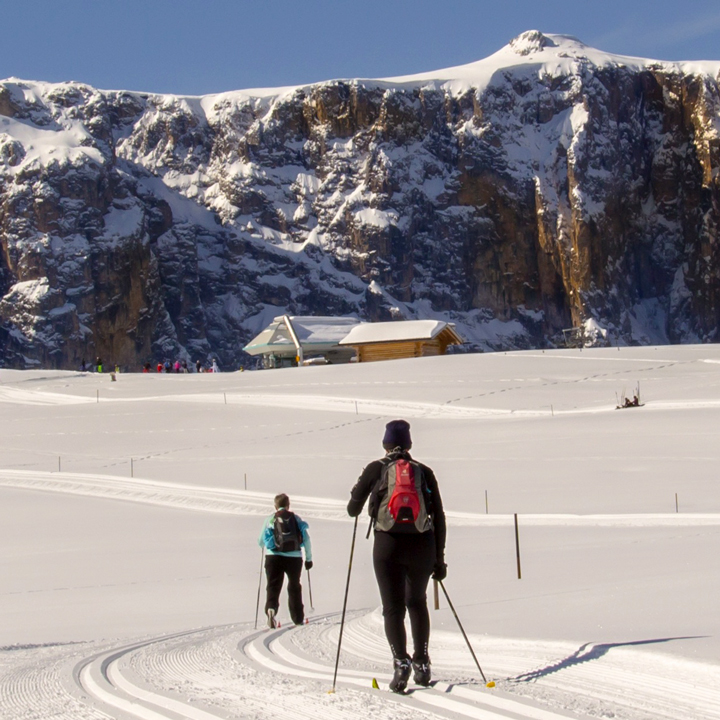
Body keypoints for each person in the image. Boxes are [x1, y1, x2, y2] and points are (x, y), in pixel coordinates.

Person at [347, 419, 446, 693]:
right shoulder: (423, 472)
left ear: (385, 443)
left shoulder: (376, 469)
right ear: (410, 444)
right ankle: (422, 662)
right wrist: (439, 558)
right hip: (422, 544)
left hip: (387, 544)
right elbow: (438, 516)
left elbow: (352, 510)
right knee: (416, 602)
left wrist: (360, 494)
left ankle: (400, 662)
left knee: (392, 608)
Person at [258, 493, 313, 628]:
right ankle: (298, 618)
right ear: (288, 505)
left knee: (273, 585)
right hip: (294, 558)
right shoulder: (295, 518)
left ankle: (271, 609)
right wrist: (308, 559)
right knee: (294, 586)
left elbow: (260, 541)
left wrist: (266, 548)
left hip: (273, 557)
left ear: (275, 506)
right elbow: (306, 539)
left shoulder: (270, 519)